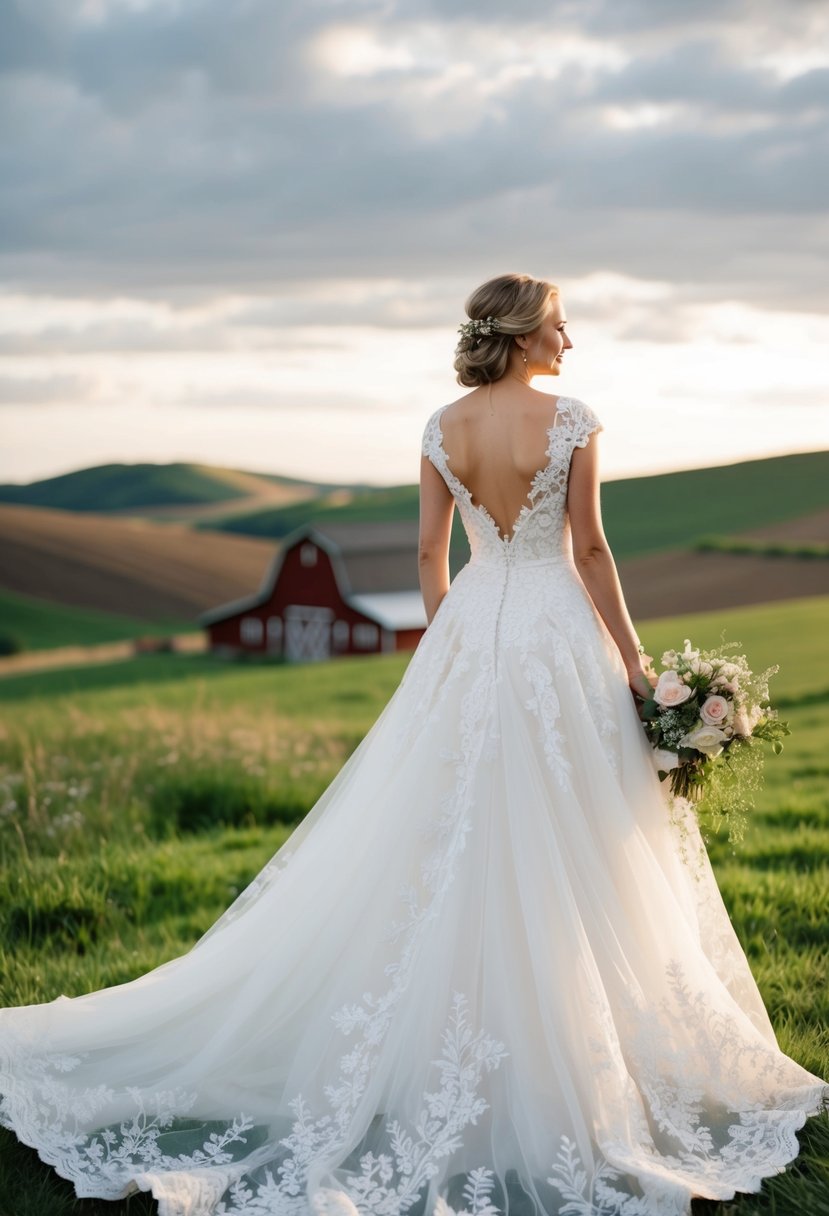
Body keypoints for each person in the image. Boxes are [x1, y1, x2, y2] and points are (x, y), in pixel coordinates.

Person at [0, 272, 825, 1216]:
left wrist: (457, 652)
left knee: (455, 839)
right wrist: (638, 672)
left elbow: (434, 560)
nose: (573, 340)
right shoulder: (573, 419)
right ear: (523, 337)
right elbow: (589, 551)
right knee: (579, 832)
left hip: (472, 630)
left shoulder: (440, 427)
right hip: (558, 633)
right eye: (561, 325)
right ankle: (565, 1046)